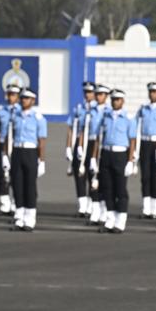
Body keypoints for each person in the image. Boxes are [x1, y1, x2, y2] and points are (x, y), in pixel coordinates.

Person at [92, 89, 136, 234]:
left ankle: (120, 220)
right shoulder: (106, 116)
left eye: (117, 99)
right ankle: (110, 219)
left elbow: (132, 140)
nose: (115, 102)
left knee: (120, 188)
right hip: (106, 153)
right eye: (113, 99)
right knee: (107, 188)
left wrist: (130, 160)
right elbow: (99, 138)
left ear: (122, 101)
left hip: (120, 154)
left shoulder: (128, 118)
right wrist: (94, 157)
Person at [9, 89, 47, 232]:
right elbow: (10, 136)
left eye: (27, 98)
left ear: (33, 101)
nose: (24, 100)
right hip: (17, 151)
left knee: (30, 185)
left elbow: (41, 141)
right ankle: (19, 216)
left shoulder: (38, 118)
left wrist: (41, 160)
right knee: (17, 184)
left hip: (31, 152)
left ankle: (30, 218)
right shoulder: (16, 116)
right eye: (23, 98)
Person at [0, 84, 21, 216]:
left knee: (16, 176)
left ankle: (15, 203)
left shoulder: (20, 111)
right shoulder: (1, 111)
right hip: (2, 145)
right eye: (9, 94)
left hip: (16, 145)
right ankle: (5, 204)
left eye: (13, 95)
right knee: (2, 175)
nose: (10, 97)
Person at [136, 82, 156, 220]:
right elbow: (136, 128)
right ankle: (146, 209)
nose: (152, 94)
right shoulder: (143, 109)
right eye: (150, 92)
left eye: (155, 92)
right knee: (145, 177)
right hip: (144, 143)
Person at [66, 81, 96, 217]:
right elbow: (71, 128)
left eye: (90, 92)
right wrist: (68, 146)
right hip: (79, 143)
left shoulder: (99, 110)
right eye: (86, 92)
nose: (87, 95)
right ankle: (82, 207)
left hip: (93, 142)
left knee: (92, 175)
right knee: (79, 175)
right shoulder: (79, 109)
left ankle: (91, 206)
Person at [85, 84, 111, 225]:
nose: (98, 97)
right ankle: (95, 211)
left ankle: (105, 211)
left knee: (105, 180)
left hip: (103, 146)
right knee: (92, 178)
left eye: (101, 94)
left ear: (106, 96)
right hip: (91, 144)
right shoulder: (90, 110)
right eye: (97, 94)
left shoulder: (108, 111)